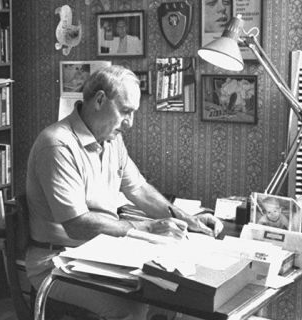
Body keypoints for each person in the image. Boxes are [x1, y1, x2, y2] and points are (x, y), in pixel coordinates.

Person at [25, 65, 224, 320]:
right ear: (99, 100)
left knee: (173, 293)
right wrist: (148, 228)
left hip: (97, 253)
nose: (130, 123)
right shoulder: (57, 145)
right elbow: (76, 224)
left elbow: (138, 189)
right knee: (133, 308)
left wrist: (189, 220)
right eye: (125, 112)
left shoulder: (111, 139)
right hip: (56, 261)